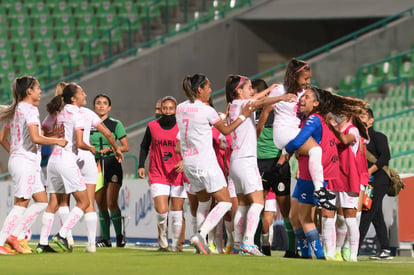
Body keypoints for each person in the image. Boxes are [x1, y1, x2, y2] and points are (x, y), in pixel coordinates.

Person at [176, 73, 254, 254]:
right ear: (199, 90)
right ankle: (201, 235)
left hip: (189, 163)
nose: (211, 90)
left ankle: (200, 244)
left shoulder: (180, 108)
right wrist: (242, 116)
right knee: (225, 202)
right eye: (208, 87)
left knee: (204, 201)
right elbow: (226, 130)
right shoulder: (207, 110)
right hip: (206, 163)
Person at [225, 74, 296, 256]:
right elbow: (259, 103)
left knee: (242, 204)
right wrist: (280, 97)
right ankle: (249, 243)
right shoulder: (244, 104)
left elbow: (255, 99)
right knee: (257, 203)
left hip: (235, 161)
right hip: (248, 160)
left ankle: (237, 244)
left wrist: (269, 88)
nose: (252, 91)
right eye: (248, 87)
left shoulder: (233, 105)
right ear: (239, 91)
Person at [0, 76, 68, 255]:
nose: (40, 91)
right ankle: (2, 241)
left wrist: (16, 152)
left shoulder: (16, 109)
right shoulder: (30, 110)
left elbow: (3, 139)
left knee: (41, 201)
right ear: (29, 91)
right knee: (21, 204)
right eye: (37, 88)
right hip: (25, 162)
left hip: (25, 161)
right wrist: (57, 140)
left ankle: (14, 236)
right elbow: (36, 138)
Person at [269, 58, 335, 208]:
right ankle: (319, 189)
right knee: (316, 149)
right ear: (294, 77)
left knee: (315, 150)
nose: (308, 81)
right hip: (283, 131)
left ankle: (320, 190)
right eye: (305, 78)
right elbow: (265, 107)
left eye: (309, 78)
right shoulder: (280, 90)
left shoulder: (304, 93)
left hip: (294, 132)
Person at [253, 78, 297, 257]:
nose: (251, 96)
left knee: (284, 208)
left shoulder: (278, 114)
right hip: (259, 164)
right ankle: (256, 246)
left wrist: (284, 158)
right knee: (256, 207)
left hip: (278, 163)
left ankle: (292, 248)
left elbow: (289, 139)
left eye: (254, 93)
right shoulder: (249, 114)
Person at [138, 96, 187, 252]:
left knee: (177, 212)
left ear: (176, 109)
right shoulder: (152, 126)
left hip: (178, 174)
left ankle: (177, 245)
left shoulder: (182, 126)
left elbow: (192, 146)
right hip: (158, 173)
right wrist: (141, 165)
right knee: (162, 211)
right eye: (164, 108)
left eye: (170, 108)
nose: (167, 111)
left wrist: (185, 161)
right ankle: (163, 237)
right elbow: (144, 146)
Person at [322, 113, 368, 262]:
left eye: (341, 112)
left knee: (350, 219)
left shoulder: (352, 130)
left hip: (348, 178)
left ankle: (353, 255)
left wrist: (331, 127)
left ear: (348, 115)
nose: (338, 115)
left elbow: (344, 140)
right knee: (327, 216)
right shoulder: (332, 128)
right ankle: (329, 254)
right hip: (331, 176)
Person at [91, 94, 129, 248]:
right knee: (100, 203)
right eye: (98, 103)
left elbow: (125, 147)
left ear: (109, 107)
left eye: (104, 103)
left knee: (111, 201)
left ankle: (120, 236)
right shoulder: (88, 123)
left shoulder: (115, 124)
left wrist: (112, 148)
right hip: (94, 165)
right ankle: (105, 239)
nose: (101, 106)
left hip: (112, 163)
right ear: (94, 107)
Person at [359, 108, 393, 260]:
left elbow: (385, 157)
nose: (360, 117)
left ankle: (354, 248)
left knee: (367, 212)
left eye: (363, 115)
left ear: (371, 120)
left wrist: (369, 171)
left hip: (380, 179)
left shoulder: (378, 137)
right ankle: (386, 249)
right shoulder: (356, 137)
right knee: (376, 216)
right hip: (368, 179)